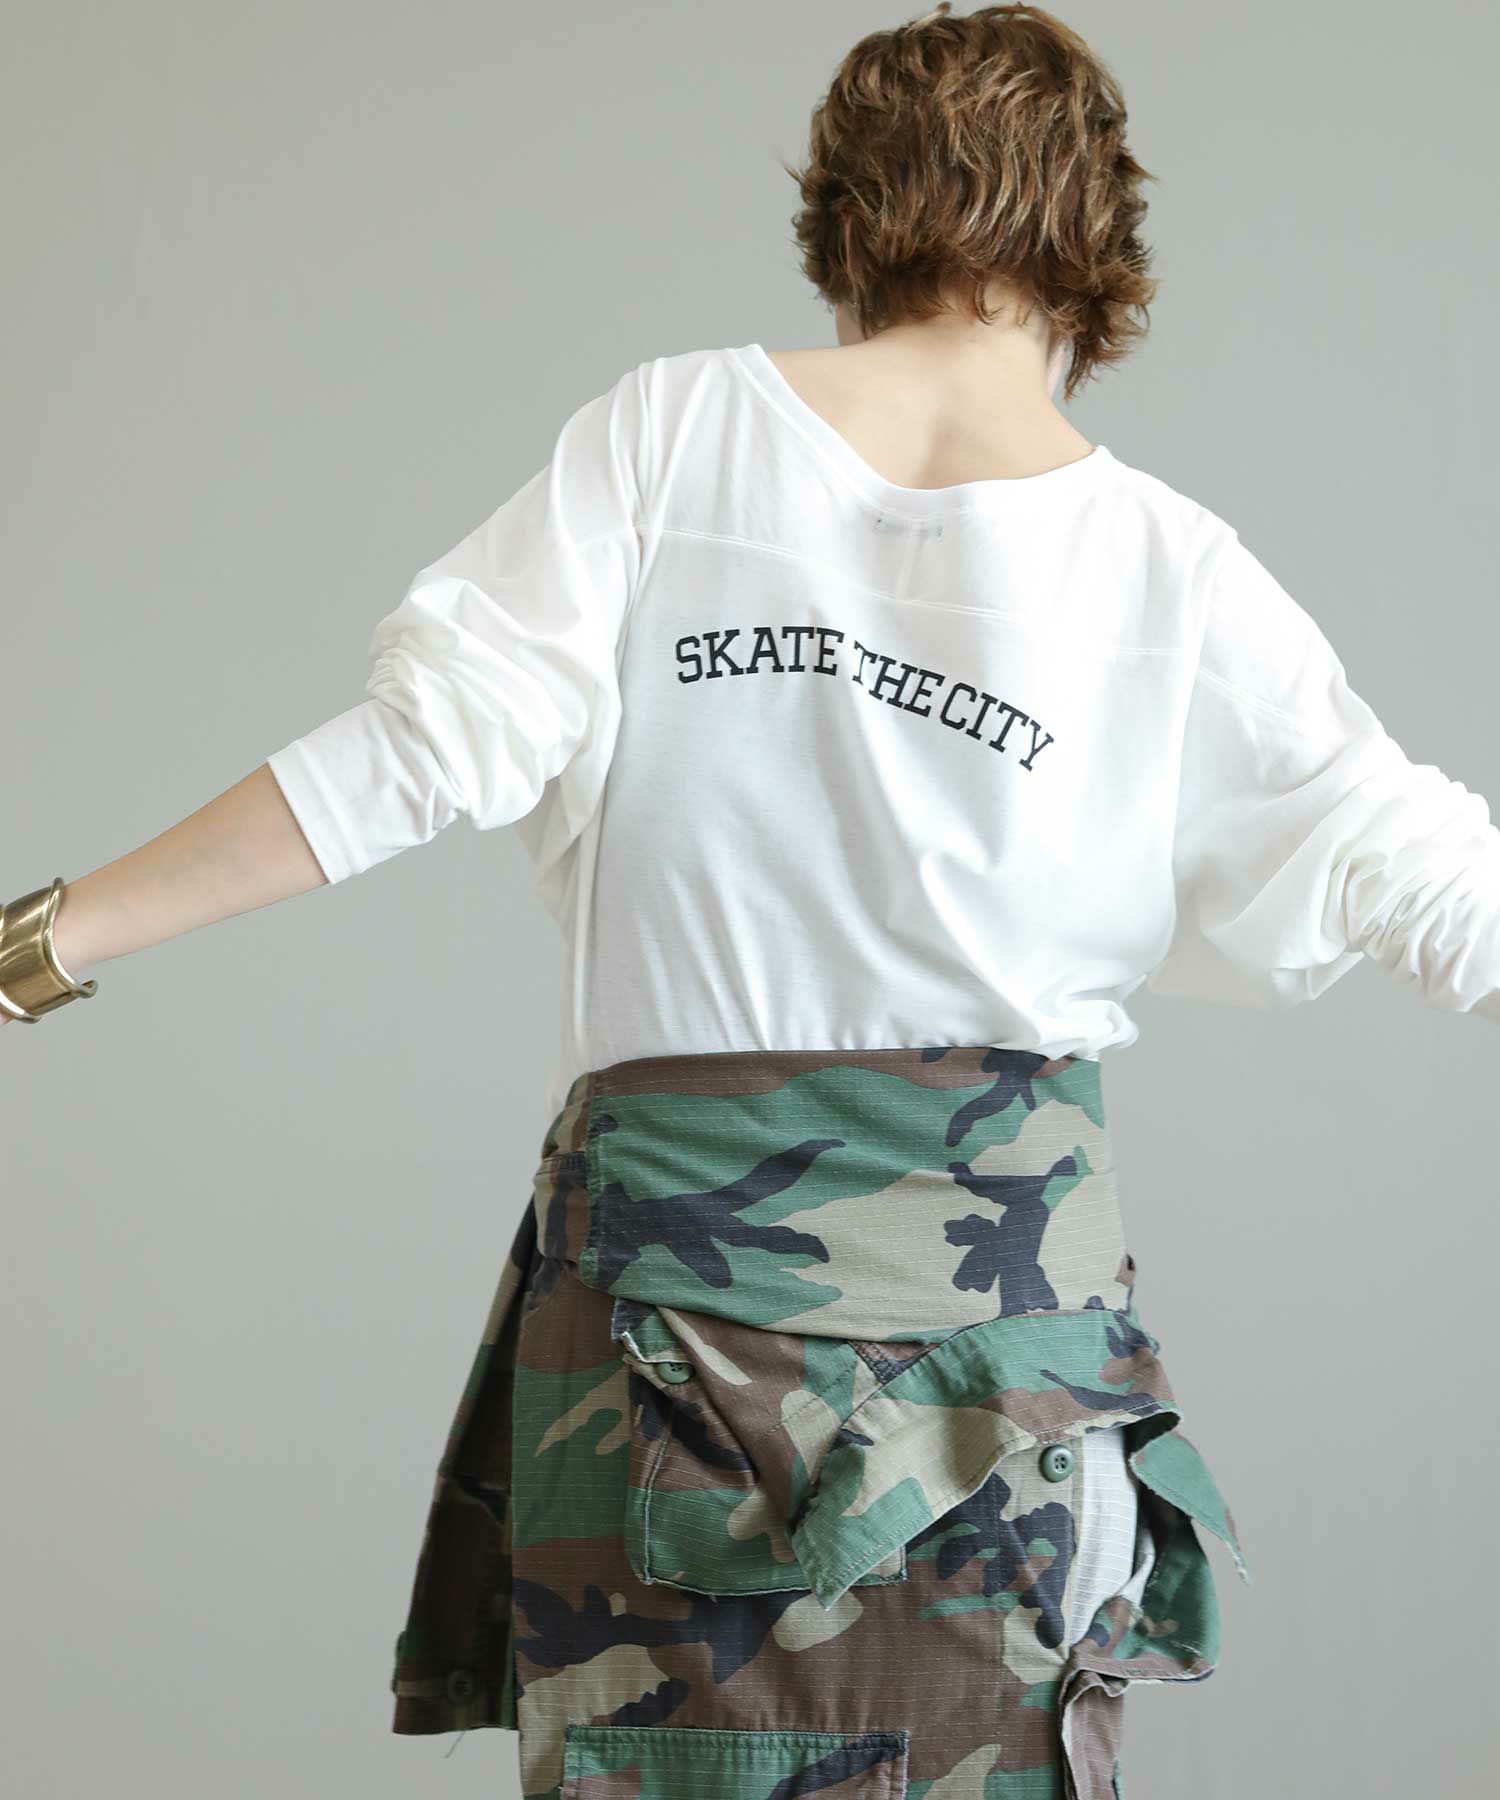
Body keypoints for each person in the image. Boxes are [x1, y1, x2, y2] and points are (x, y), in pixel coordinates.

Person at [6, 5, 1498, 1796]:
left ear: (846, 217)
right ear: (1099, 238)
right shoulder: (1170, 570)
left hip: (671, 1373)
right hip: (1010, 1398)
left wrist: (35, 948)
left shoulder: (675, 437)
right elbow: (1441, 889)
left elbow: (416, 754)